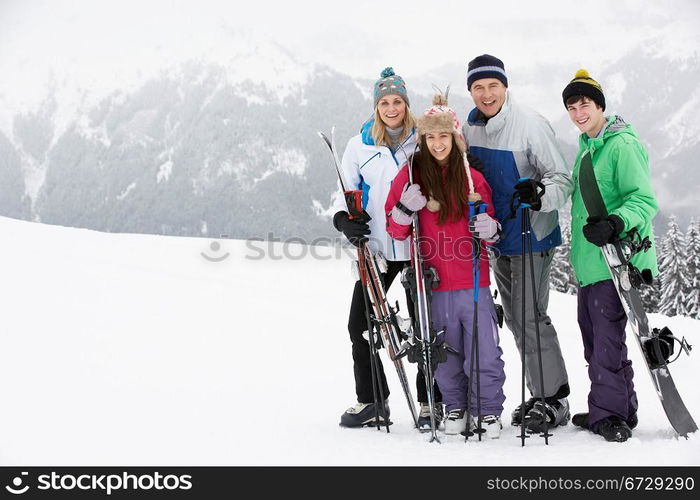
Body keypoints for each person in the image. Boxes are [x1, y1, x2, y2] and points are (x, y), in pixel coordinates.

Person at [462, 54, 573, 433]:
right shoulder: (471, 129)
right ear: (471, 92)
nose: (487, 93)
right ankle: (541, 393)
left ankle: (554, 399)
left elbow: (562, 178)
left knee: (530, 316)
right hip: (497, 238)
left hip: (532, 233)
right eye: (478, 87)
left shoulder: (530, 124)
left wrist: (540, 192)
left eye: (493, 85)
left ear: (505, 87)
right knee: (514, 318)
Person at [385, 93, 506, 438]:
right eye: (431, 137)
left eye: (444, 136)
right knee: (443, 350)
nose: (438, 144)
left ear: (455, 138)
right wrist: (405, 210)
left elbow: (493, 227)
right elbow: (395, 230)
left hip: (472, 278)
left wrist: (491, 228)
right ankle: (455, 405)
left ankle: (486, 410)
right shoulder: (409, 175)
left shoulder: (472, 178)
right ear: (422, 140)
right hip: (433, 281)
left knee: (483, 349)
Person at [331, 67, 442, 428]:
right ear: (376, 106)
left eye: (397, 101)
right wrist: (344, 220)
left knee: (426, 326)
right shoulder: (359, 144)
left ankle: (431, 402)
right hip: (377, 249)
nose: (391, 108)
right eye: (384, 102)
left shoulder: (422, 139)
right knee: (359, 325)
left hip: (416, 246)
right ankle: (373, 400)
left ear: (406, 104)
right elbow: (345, 190)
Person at [562, 69, 658, 442]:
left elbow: (645, 199)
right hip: (591, 264)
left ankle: (610, 414)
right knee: (597, 340)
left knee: (605, 342)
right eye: (571, 107)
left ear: (600, 105)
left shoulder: (621, 145)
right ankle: (617, 407)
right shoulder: (587, 148)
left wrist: (617, 221)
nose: (578, 112)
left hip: (617, 261)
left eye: (584, 103)